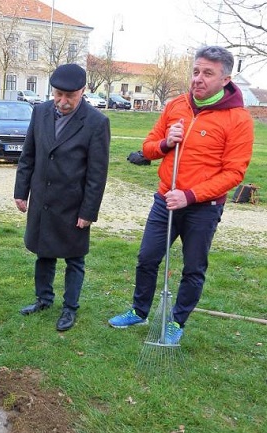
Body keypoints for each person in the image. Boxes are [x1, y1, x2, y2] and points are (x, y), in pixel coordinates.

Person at [108, 46, 254, 344]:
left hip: (203, 208)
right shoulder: (176, 105)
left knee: (193, 267)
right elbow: (148, 147)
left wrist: (190, 195)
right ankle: (139, 310)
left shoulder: (238, 119)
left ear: (225, 79)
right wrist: (165, 143)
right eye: (196, 71)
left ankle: (176, 322)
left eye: (208, 73)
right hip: (165, 200)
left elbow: (234, 173)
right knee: (147, 258)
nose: (198, 79)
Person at [14, 64, 110, 331]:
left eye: (70, 96)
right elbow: (28, 155)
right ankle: (43, 299)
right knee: (43, 252)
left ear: (82, 91)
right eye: (58, 94)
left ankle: (70, 308)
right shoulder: (41, 111)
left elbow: (97, 173)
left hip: (73, 203)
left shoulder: (96, 122)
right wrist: (21, 192)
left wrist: (88, 211)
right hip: (43, 199)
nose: (62, 101)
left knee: (74, 258)